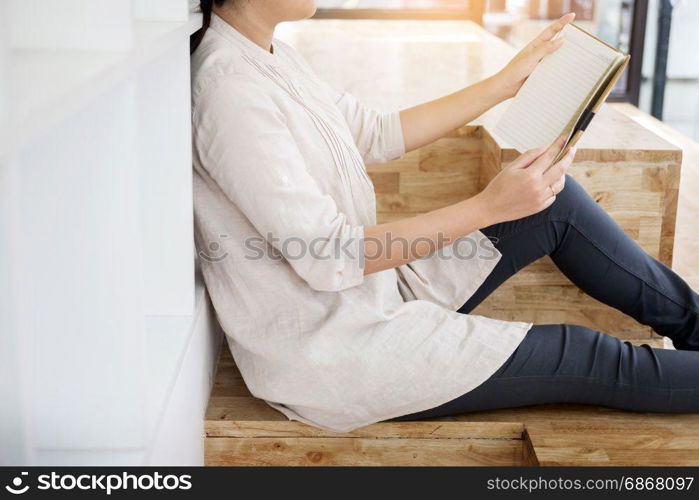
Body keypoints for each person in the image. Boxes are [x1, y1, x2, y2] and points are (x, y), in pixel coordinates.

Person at [190, 0, 699, 433]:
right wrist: (488, 207)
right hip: (338, 353)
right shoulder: (229, 90)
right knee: (584, 352)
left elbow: (374, 133)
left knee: (556, 206)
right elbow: (330, 257)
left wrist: (505, 84)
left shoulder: (272, 55)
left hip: (377, 295)